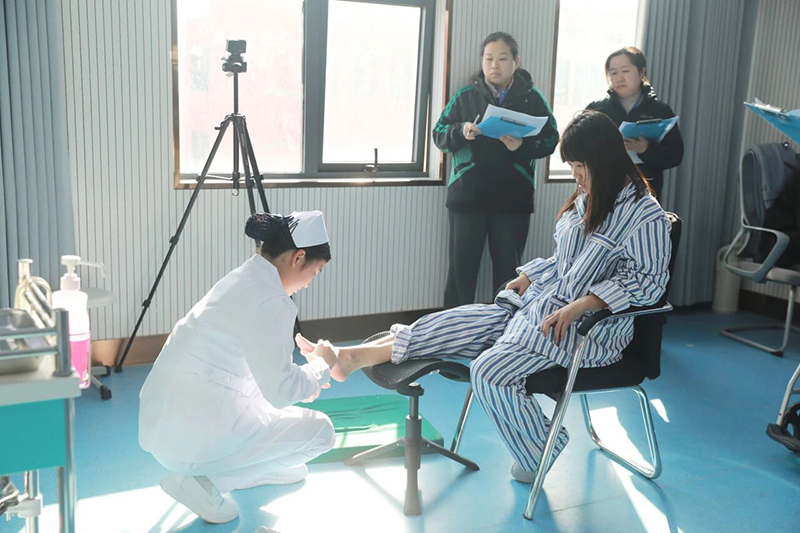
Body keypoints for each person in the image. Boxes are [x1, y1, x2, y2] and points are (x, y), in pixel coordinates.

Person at [298, 111, 672, 481]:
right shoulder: (587, 198)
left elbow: (649, 282)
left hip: (585, 332)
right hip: (540, 307)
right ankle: (350, 357)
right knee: (452, 323)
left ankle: (541, 447)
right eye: (572, 165)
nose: (575, 175)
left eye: (580, 166)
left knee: (488, 370)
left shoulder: (645, 215)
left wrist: (585, 304)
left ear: (605, 159)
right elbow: (564, 262)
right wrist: (528, 275)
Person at [139, 211, 337, 524]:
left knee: (288, 442)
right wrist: (322, 365)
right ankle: (205, 483)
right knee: (322, 433)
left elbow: (252, 371)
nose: (310, 283)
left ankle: (252, 470)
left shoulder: (244, 278)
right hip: (194, 433)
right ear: (298, 257)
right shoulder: (272, 302)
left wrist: (305, 379)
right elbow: (282, 392)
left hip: (167, 422)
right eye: (315, 272)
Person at [433, 31, 558, 309]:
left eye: (502, 58)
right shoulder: (466, 95)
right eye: (488, 58)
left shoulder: (533, 98)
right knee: (461, 272)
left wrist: (523, 146)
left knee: (509, 273)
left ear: (516, 61)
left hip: (512, 199)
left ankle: (506, 328)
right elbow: (438, 134)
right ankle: (453, 326)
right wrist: (461, 131)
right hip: (468, 197)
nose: (494, 65)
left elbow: (552, 138)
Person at [586, 46, 684, 199]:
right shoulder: (596, 109)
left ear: (642, 72)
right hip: (604, 188)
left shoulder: (660, 111)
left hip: (645, 191)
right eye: (613, 72)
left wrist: (646, 149)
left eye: (625, 71)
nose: (619, 78)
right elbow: (578, 146)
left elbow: (675, 155)